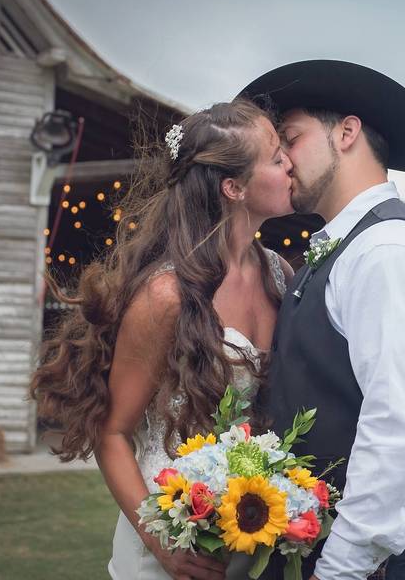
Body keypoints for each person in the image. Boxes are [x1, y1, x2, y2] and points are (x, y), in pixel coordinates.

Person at [28, 99, 295, 580]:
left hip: (249, 537)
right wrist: (162, 544)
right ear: (234, 187)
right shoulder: (165, 296)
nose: (291, 163)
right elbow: (111, 433)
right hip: (167, 541)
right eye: (276, 158)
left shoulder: (281, 274)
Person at [241, 60, 405, 580]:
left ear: (346, 133)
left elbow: (396, 428)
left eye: (291, 139)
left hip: (390, 561)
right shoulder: (347, 247)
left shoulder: (389, 250)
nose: (280, 159)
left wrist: (340, 568)